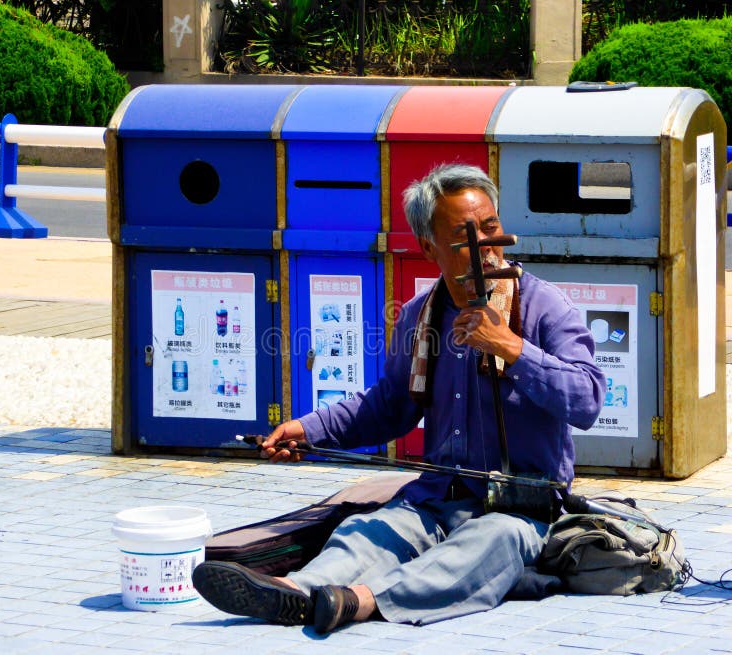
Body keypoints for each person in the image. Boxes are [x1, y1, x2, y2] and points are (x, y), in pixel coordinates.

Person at [194, 163, 605, 633]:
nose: (484, 247)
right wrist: (309, 430)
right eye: (463, 235)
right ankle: (299, 591)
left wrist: (512, 348)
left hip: (519, 508)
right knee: (363, 533)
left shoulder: (544, 306)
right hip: (434, 501)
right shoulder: (419, 316)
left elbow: (588, 399)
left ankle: (361, 601)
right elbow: (389, 406)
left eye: (490, 228)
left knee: (489, 544)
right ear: (429, 247)